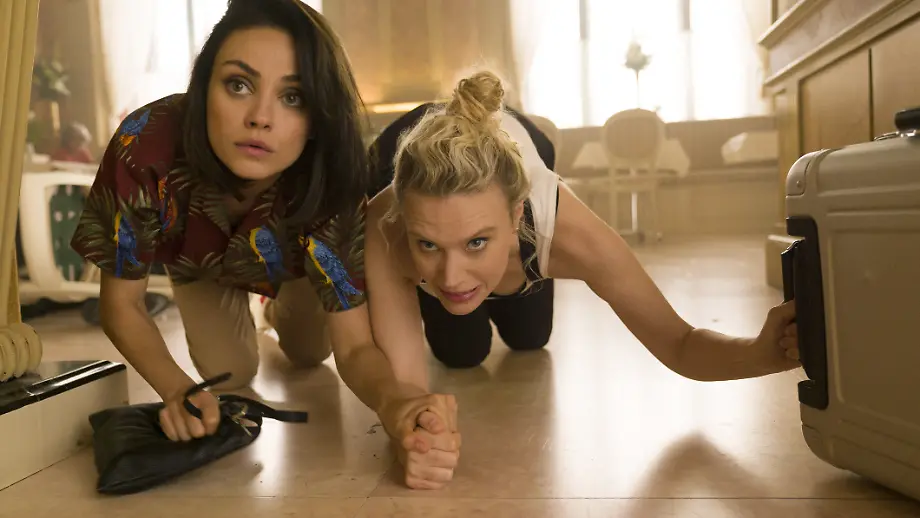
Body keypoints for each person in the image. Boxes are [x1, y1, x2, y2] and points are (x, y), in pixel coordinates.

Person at [361, 70, 801, 489]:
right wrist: (414, 433)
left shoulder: (568, 233)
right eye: (428, 245)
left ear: (516, 215)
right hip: (400, 150)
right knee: (462, 353)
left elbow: (679, 344)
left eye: (476, 242)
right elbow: (405, 394)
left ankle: (495, 262)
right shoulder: (385, 227)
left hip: (525, 163)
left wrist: (759, 354)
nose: (452, 277)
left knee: (531, 337)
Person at [70, 0, 453, 453]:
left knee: (310, 353)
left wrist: (395, 402)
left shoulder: (334, 177)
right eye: (238, 85)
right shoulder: (144, 143)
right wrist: (177, 389)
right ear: (203, 87)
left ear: (318, 116)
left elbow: (353, 348)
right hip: (199, 265)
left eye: (293, 97)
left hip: (298, 264)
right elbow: (121, 305)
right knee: (230, 373)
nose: (260, 117)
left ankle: (276, 310)